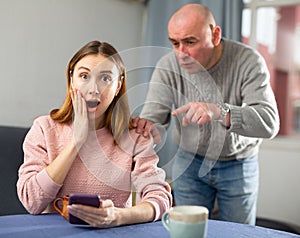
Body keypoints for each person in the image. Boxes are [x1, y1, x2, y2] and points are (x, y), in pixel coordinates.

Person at [134, 4, 280, 225]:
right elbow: (154, 119)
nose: (181, 54)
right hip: (189, 160)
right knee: (188, 231)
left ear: (216, 34)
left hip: (238, 163)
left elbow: (269, 122)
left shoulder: (248, 61)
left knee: (237, 233)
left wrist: (220, 111)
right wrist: (145, 131)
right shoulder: (167, 66)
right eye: (174, 43)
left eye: (190, 42)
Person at [17, 40, 172, 228]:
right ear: (71, 79)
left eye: (106, 78)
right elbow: (31, 201)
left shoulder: (135, 135)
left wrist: (119, 216)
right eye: (84, 76)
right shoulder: (43, 128)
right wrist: (77, 140)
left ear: (118, 86)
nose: (94, 89)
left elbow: (160, 199)